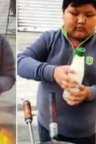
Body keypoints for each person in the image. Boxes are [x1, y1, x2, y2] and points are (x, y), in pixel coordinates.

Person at [17, 0, 96, 143]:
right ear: (62, 13)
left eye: (89, 15)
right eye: (74, 13)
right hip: (47, 127)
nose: (81, 20)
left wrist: (89, 93)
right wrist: (52, 72)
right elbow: (20, 62)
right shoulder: (50, 39)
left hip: (85, 134)